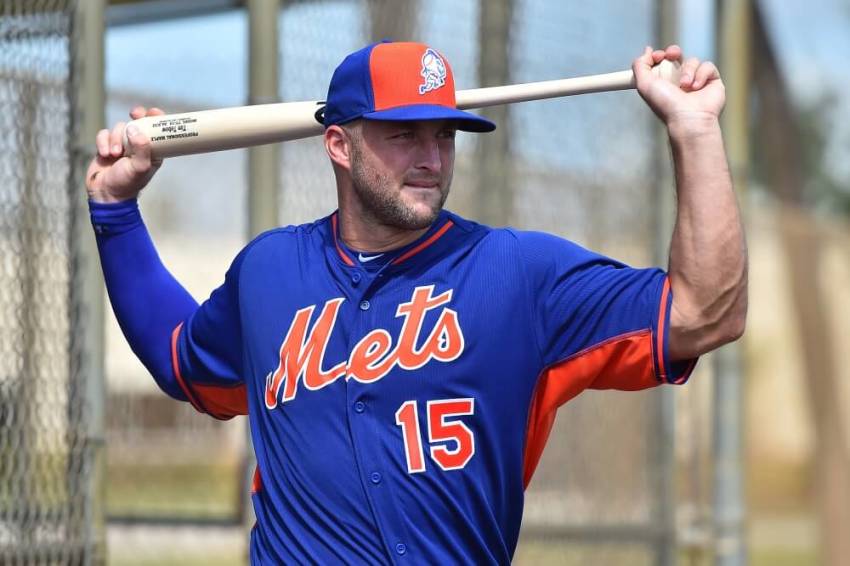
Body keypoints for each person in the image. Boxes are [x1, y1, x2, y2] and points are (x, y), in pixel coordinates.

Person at [86, 41, 746, 564]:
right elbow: (181, 360)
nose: (431, 157)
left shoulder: (516, 273)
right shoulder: (269, 273)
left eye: (444, 134)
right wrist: (115, 212)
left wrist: (694, 131)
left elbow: (702, 313)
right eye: (405, 134)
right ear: (339, 145)